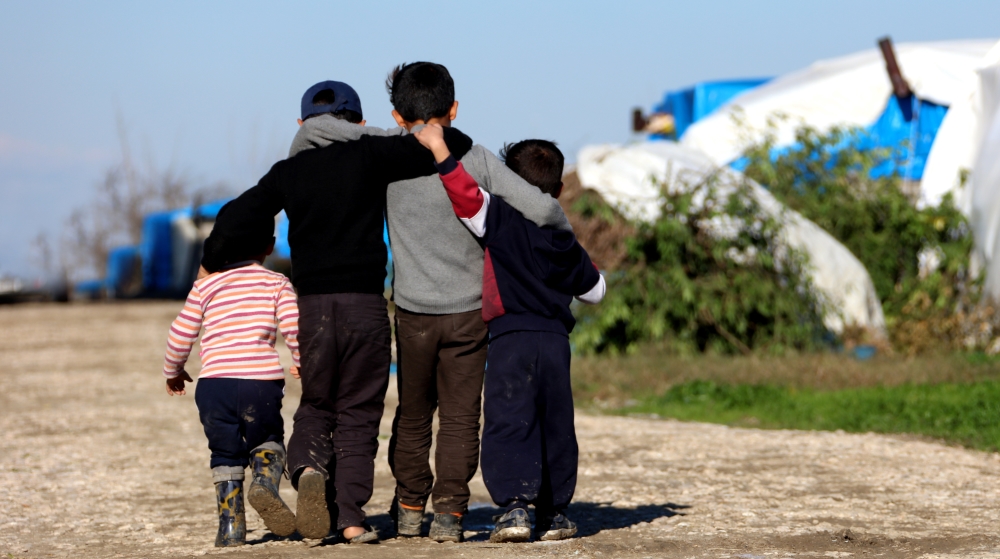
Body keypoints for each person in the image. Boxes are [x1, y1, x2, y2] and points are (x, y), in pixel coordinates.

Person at [297, 62, 571, 542]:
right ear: (455, 108)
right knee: (462, 417)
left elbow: (330, 135)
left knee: (413, 413)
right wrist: (565, 243)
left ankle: (407, 509)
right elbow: (544, 208)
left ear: (396, 116)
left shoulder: (384, 154)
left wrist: (320, 128)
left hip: (412, 313)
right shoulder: (479, 159)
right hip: (469, 314)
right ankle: (449, 515)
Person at [200, 80, 474, 544]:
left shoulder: (289, 171)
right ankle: (349, 518)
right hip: (364, 306)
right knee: (359, 413)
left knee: (318, 403)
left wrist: (208, 265)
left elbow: (235, 216)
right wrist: (388, 135)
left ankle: (307, 469)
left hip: (312, 310)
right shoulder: (371, 153)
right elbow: (453, 141)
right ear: (360, 122)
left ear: (301, 124)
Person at [413, 125, 606, 543]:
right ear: (556, 188)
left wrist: (440, 150)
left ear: (508, 182)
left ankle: (514, 509)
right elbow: (595, 291)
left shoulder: (499, 219)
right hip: (555, 341)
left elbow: (465, 194)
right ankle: (555, 514)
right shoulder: (561, 237)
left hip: (509, 338)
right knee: (555, 423)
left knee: (509, 420)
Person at [162, 210, 300, 547]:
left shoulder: (205, 286)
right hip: (261, 384)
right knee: (267, 438)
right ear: (269, 247)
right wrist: (303, 361)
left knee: (224, 453)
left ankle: (231, 528)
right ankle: (264, 485)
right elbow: (296, 328)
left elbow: (180, 334)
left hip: (214, 388)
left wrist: (174, 371)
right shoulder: (276, 283)